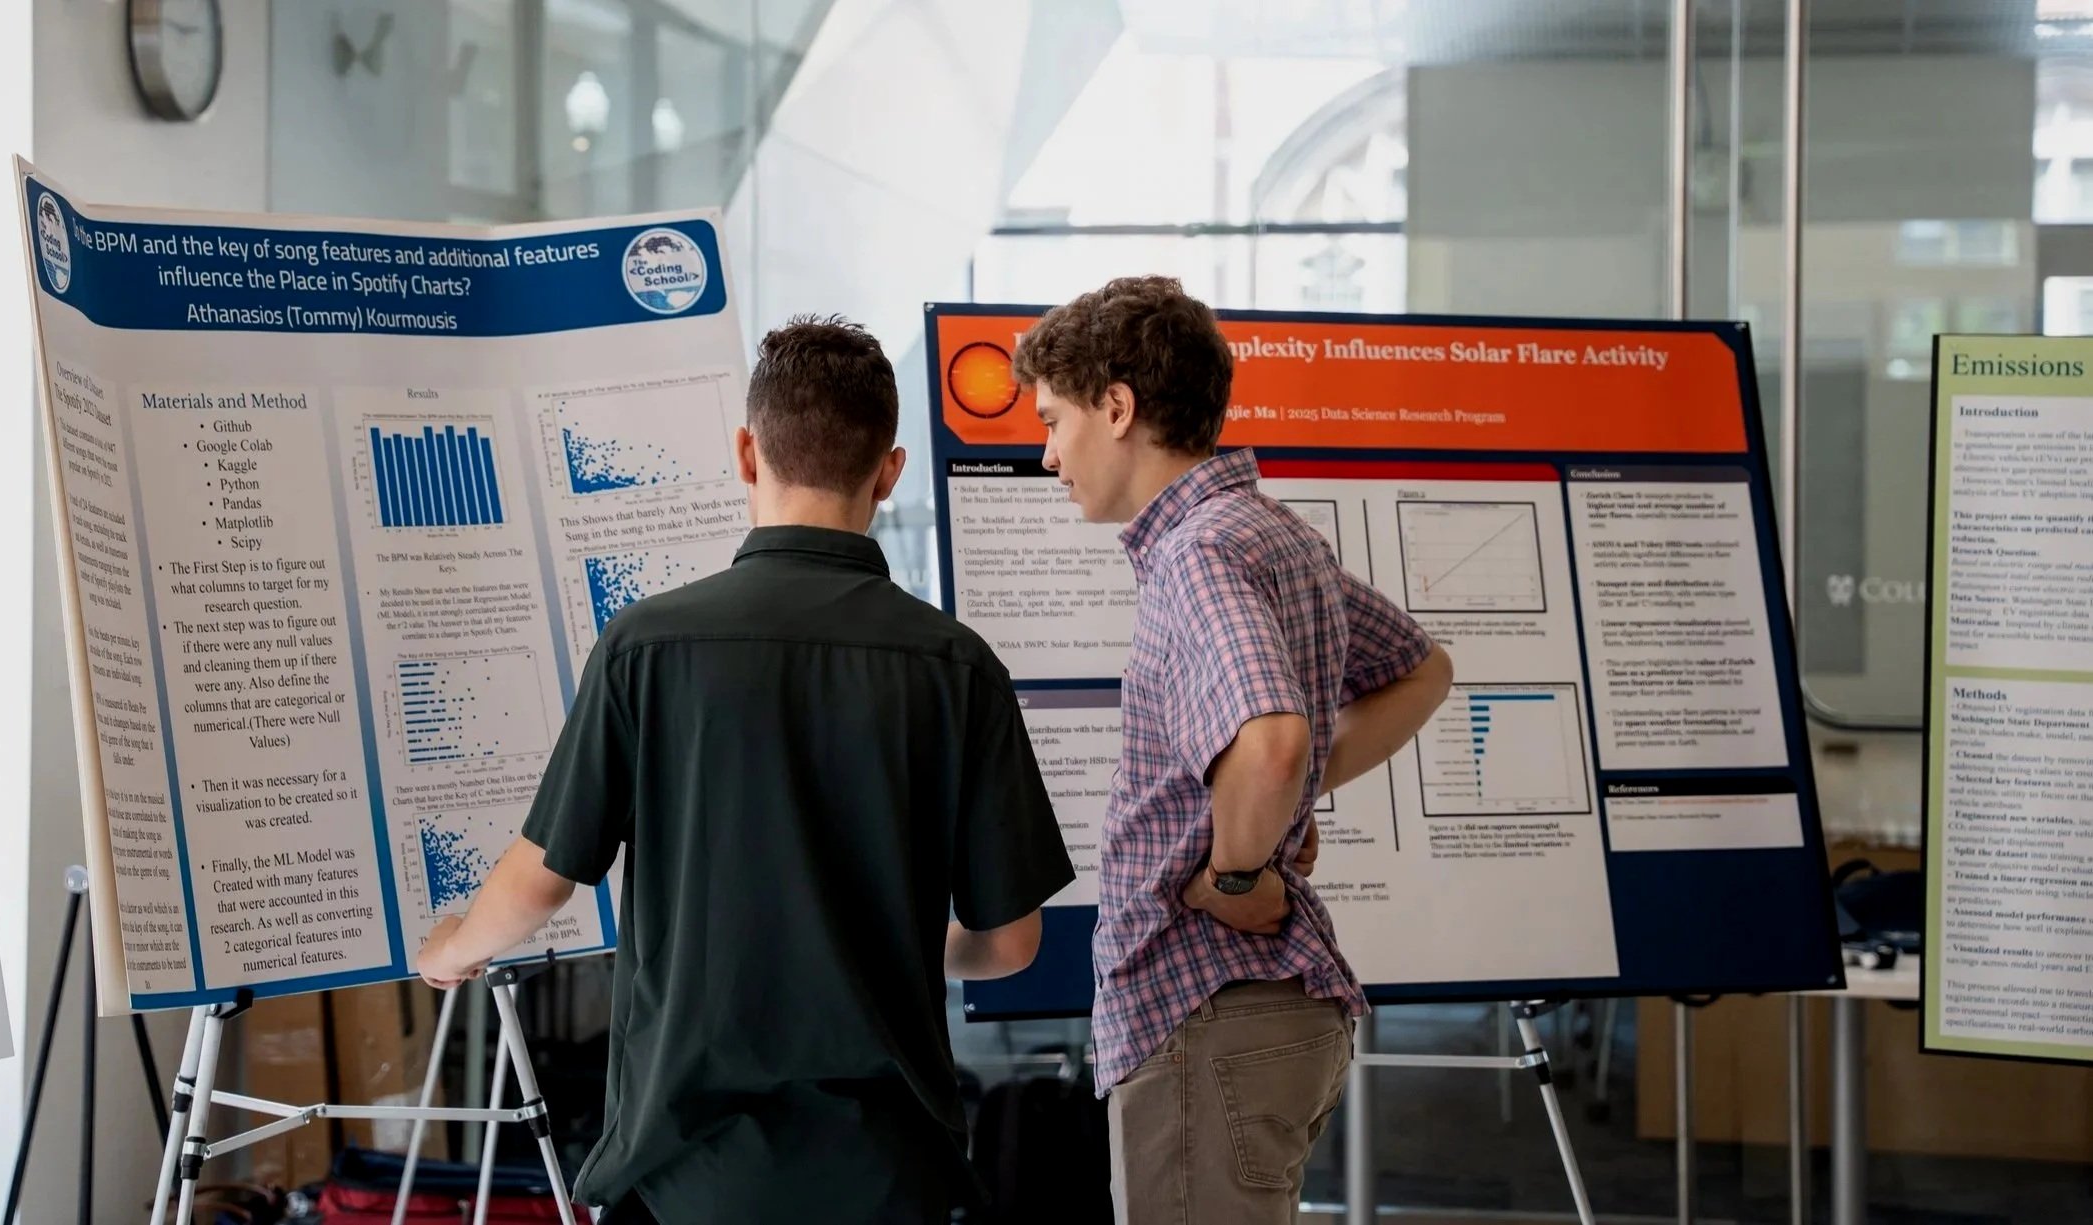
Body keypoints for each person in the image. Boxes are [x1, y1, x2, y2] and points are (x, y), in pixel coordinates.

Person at [415, 315, 1076, 1224]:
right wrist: (887, 941)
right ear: (889, 471)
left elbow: (542, 881)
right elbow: (1010, 944)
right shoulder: (956, 665)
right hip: (887, 1170)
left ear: (745, 452)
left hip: (685, 1166)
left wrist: (451, 948)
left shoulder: (647, 646)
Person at [1012, 276, 1454, 1224]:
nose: (1048, 455)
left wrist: (1240, 870)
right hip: (1248, 1014)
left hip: (1203, 1005)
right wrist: (1273, 804)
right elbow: (1423, 671)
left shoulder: (1198, 555)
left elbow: (1272, 737)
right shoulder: (1271, 533)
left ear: (1118, 408)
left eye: (1054, 420)